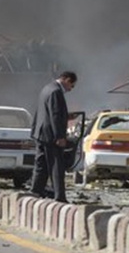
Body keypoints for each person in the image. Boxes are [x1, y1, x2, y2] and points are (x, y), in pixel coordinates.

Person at [29, 71, 77, 203]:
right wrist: (59, 136)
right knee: (56, 165)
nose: (70, 89)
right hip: (50, 135)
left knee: (41, 164)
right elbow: (54, 115)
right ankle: (59, 196)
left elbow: (46, 112)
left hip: (41, 133)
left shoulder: (47, 88)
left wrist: (67, 116)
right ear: (66, 79)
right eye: (71, 86)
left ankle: (35, 191)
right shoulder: (56, 91)